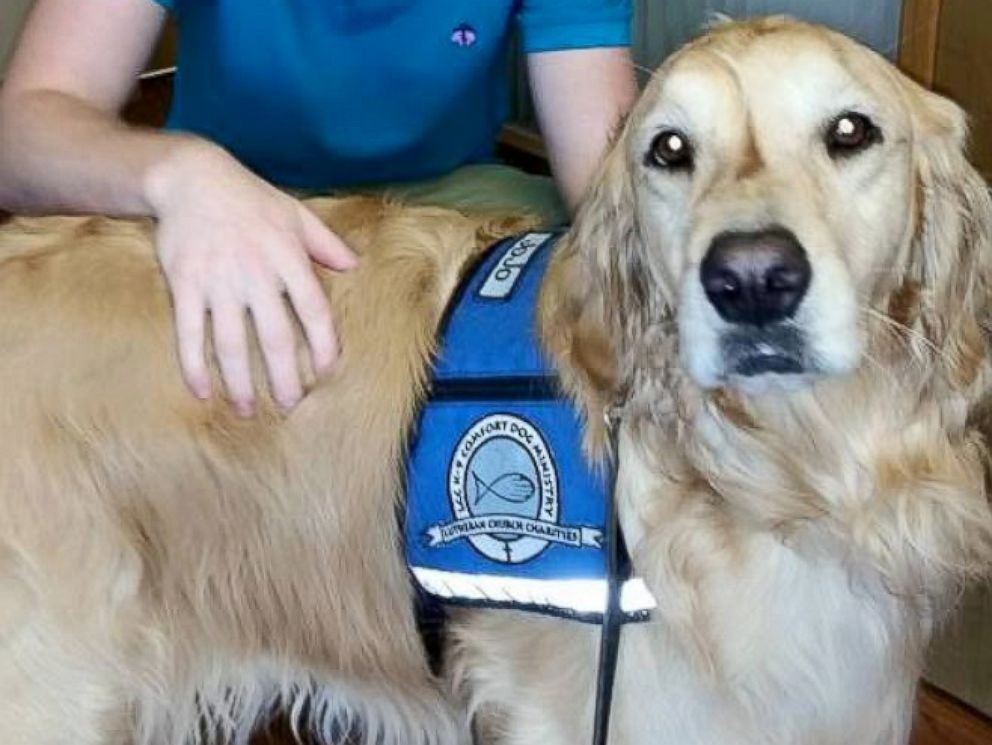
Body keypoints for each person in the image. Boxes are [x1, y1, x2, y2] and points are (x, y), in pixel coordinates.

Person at [0, 0, 637, 417]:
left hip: (448, 205)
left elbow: (613, 200)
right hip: (223, 199)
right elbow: (20, 135)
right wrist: (181, 174)